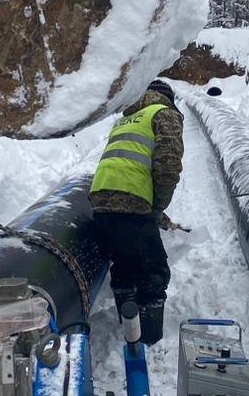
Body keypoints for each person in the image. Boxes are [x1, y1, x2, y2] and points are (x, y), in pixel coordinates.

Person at [89, 79, 184, 345]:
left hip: (100, 198)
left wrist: (159, 218)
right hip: (131, 200)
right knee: (154, 271)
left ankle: (128, 324)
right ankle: (148, 337)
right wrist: (157, 208)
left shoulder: (127, 120)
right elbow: (167, 167)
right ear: (167, 98)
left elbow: (127, 166)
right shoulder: (164, 114)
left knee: (124, 263)